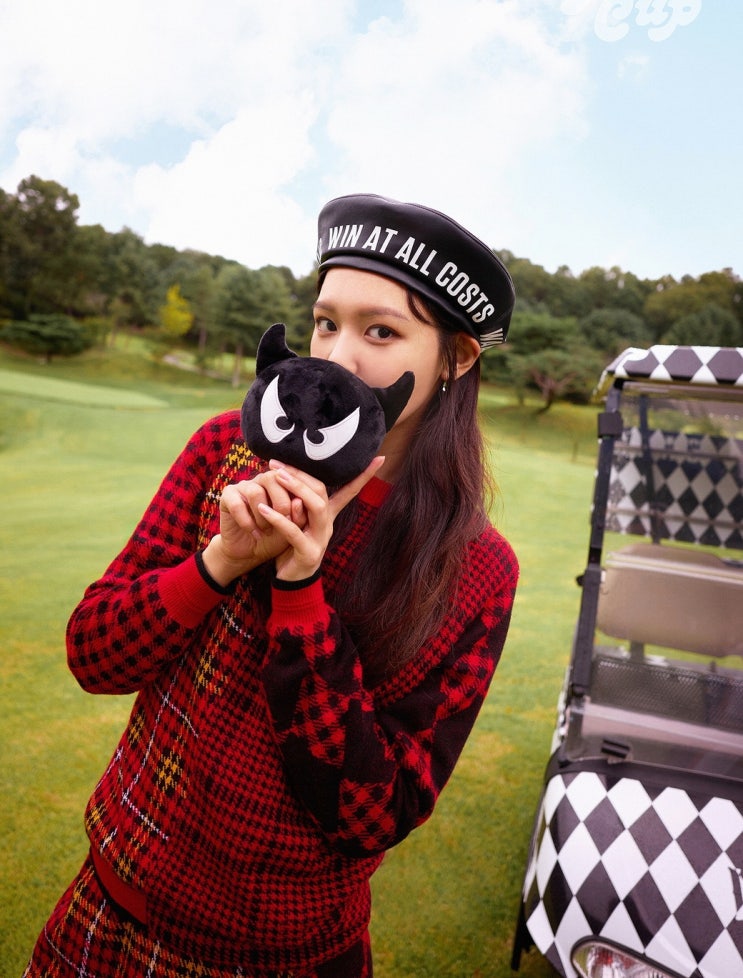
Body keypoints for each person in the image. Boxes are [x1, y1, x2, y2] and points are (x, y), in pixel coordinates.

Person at [23, 193, 519, 978]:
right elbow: (94, 654)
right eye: (325, 322)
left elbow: (372, 813)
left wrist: (300, 591)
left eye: (380, 332)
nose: (336, 357)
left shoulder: (474, 567)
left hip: (282, 957)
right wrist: (218, 563)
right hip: (110, 904)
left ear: (456, 358)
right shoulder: (226, 449)